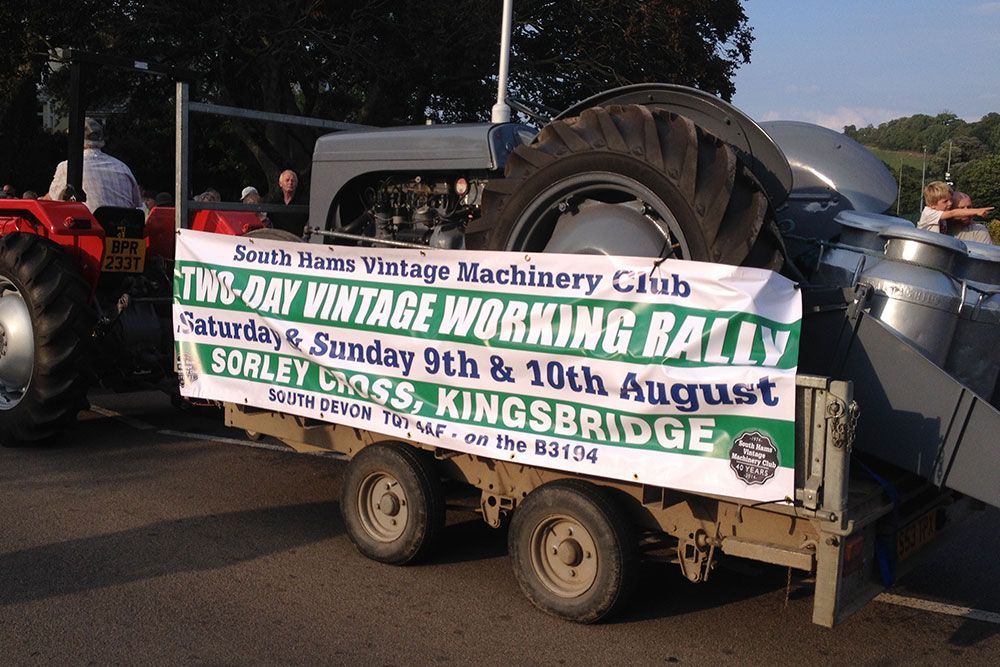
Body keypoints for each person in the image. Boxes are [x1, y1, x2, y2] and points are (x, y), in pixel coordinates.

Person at [44, 117, 142, 212]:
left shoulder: (69, 167)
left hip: (88, 226)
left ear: (75, 140)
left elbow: (50, 200)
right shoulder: (123, 167)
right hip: (123, 226)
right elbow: (137, 204)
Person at [917, 181, 993, 234]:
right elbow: (953, 213)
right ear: (932, 205)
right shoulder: (929, 213)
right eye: (945, 201)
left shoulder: (941, 213)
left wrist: (970, 221)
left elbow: (957, 218)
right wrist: (977, 211)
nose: (950, 203)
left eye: (950, 200)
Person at [267, 169, 308, 236]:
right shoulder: (274, 203)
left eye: (293, 180)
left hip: (297, 240)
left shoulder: (304, 203)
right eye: (287, 180)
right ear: (280, 184)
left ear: (296, 184)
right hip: (277, 240)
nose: (290, 183)